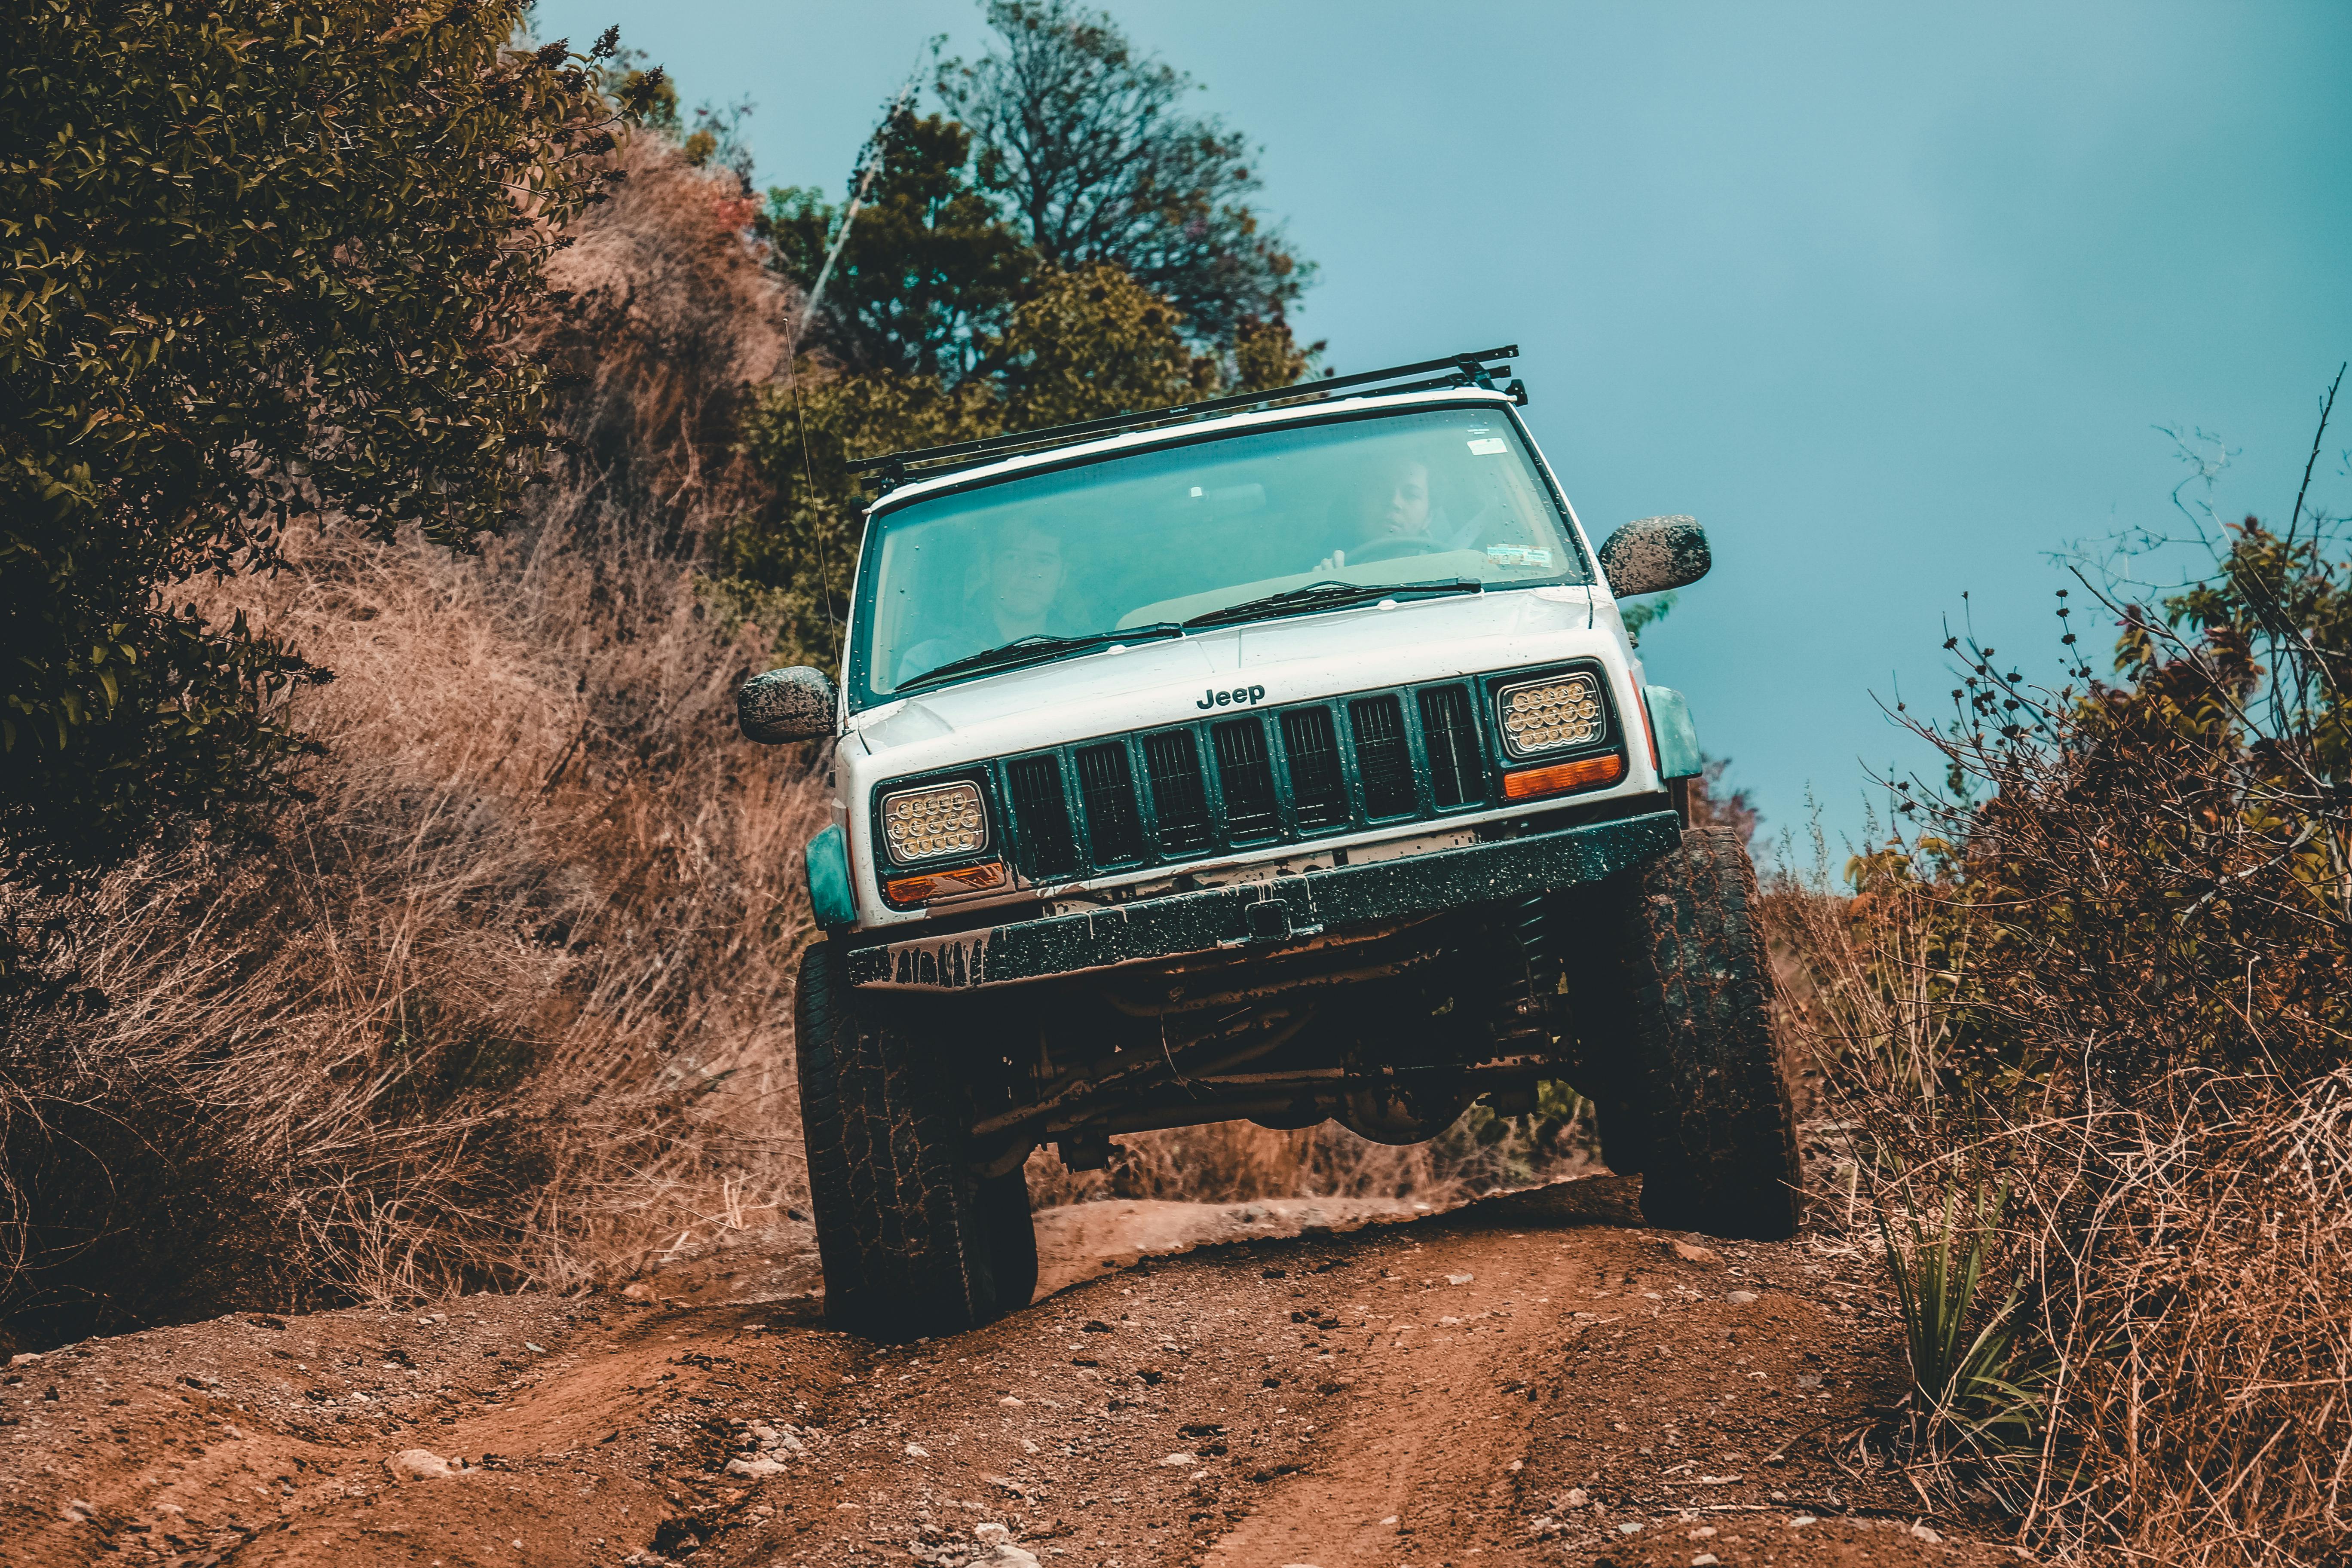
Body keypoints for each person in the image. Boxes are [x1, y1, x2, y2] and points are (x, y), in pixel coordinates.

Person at [894, 514, 1072, 686]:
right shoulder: (931, 662)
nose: (1029, 572)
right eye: (1013, 558)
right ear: (988, 568)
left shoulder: (1092, 649)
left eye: (1044, 561)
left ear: (1063, 575)